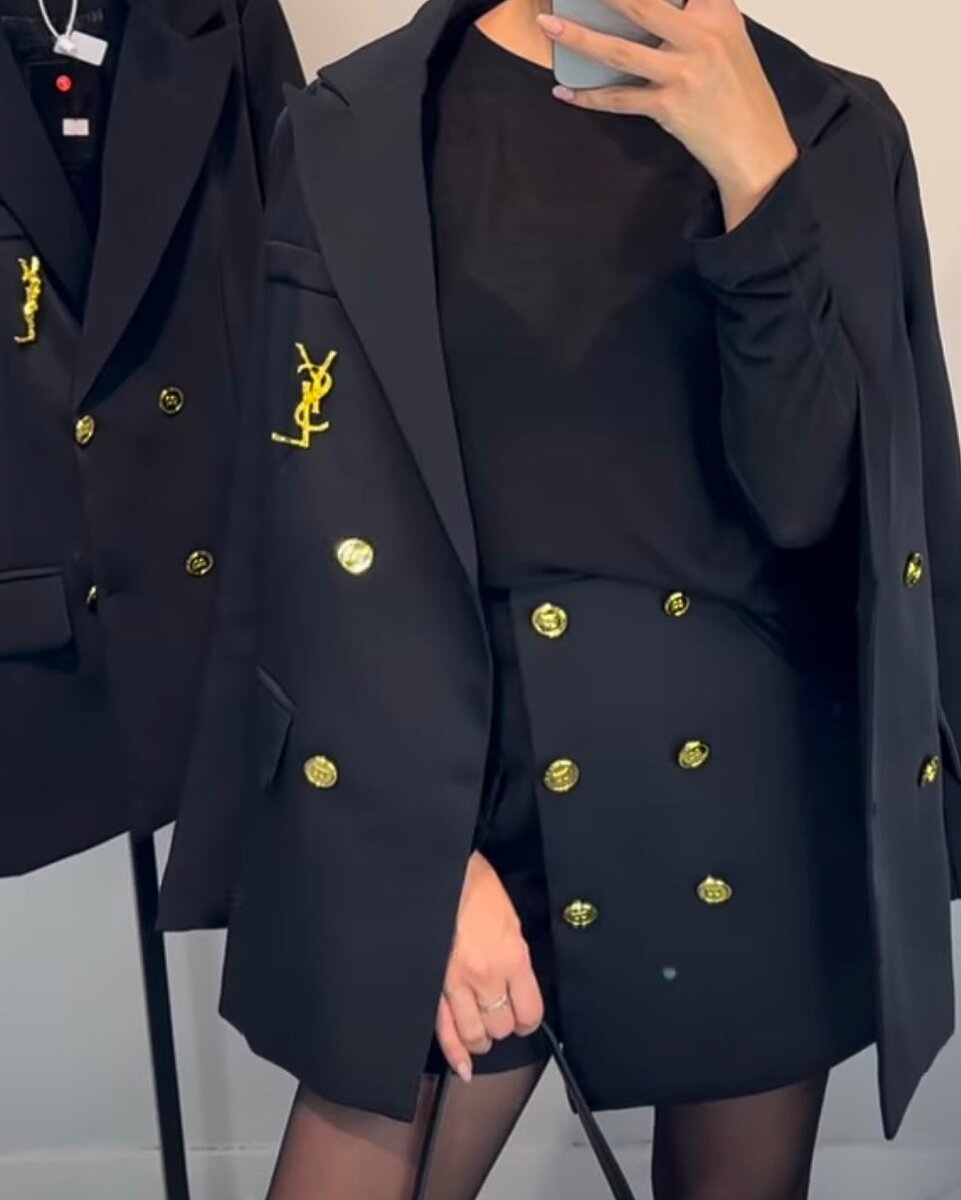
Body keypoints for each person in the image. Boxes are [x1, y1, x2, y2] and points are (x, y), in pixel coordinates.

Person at [157, 0, 961, 1197]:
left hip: (747, 794)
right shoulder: (357, 127)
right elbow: (309, 521)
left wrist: (757, 178)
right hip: (453, 778)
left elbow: (806, 505)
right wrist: (415, 857)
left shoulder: (829, 125)